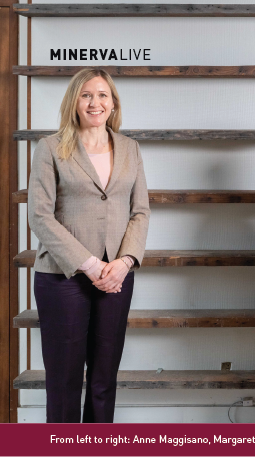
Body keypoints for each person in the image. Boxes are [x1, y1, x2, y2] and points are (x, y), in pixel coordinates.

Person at [28, 68, 150, 422]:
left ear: (113, 104)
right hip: (62, 278)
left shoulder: (130, 149)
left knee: (103, 379)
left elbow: (140, 212)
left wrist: (125, 262)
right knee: (64, 380)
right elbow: (40, 217)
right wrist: (91, 265)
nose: (95, 102)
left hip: (116, 278)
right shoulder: (50, 148)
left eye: (102, 95)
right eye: (86, 95)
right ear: (74, 102)